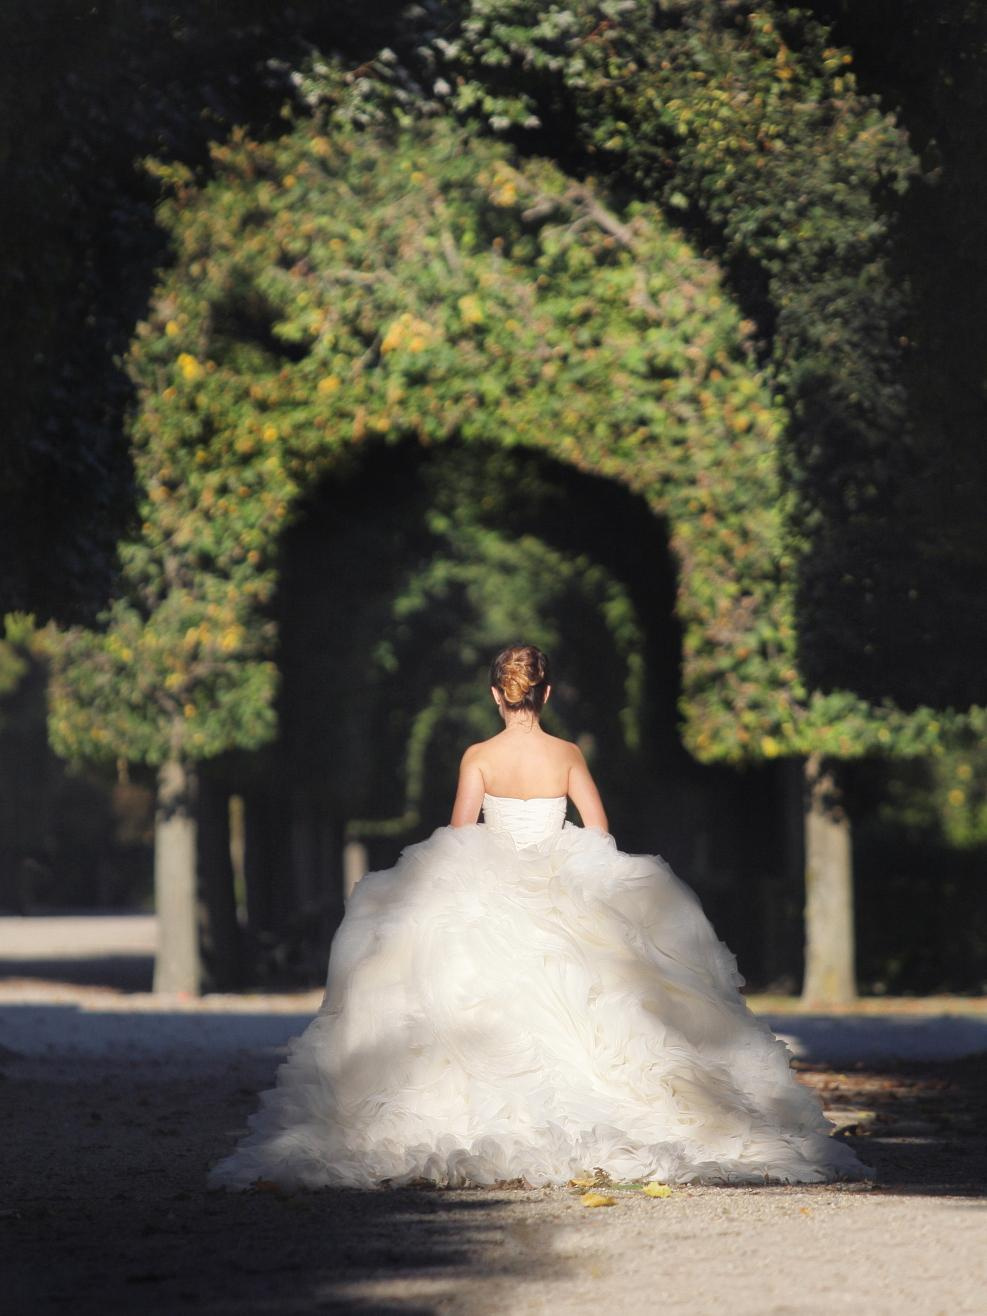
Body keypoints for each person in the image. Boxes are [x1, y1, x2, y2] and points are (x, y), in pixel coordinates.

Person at [207, 643, 874, 1191]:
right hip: (561, 878)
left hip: (491, 878)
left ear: (496, 696)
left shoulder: (479, 757)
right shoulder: (567, 755)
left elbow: (460, 833)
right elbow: (599, 830)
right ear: (545, 694)